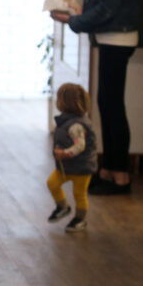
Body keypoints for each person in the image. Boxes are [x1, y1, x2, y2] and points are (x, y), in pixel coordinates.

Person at [54, 0, 142, 194]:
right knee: (108, 104)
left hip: (117, 37)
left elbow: (108, 7)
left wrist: (73, 21)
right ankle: (110, 171)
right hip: (113, 36)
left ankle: (120, 177)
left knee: (112, 107)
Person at [46, 83, 98, 233]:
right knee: (52, 183)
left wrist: (64, 153)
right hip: (67, 166)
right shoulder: (66, 121)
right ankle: (63, 206)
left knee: (79, 194)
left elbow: (79, 146)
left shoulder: (76, 126)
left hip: (81, 167)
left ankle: (80, 219)